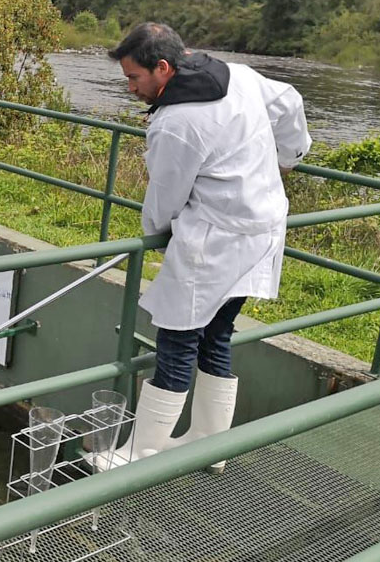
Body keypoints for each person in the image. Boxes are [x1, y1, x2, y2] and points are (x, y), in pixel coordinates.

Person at [101, 23, 310, 473]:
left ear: (163, 67)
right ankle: (209, 445)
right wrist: (289, 156)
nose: (130, 88)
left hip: (217, 240)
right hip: (264, 229)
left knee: (177, 341)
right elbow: (290, 100)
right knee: (217, 335)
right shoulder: (238, 75)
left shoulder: (176, 123)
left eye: (134, 78)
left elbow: (164, 199)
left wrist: (154, 234)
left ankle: (139, 454)